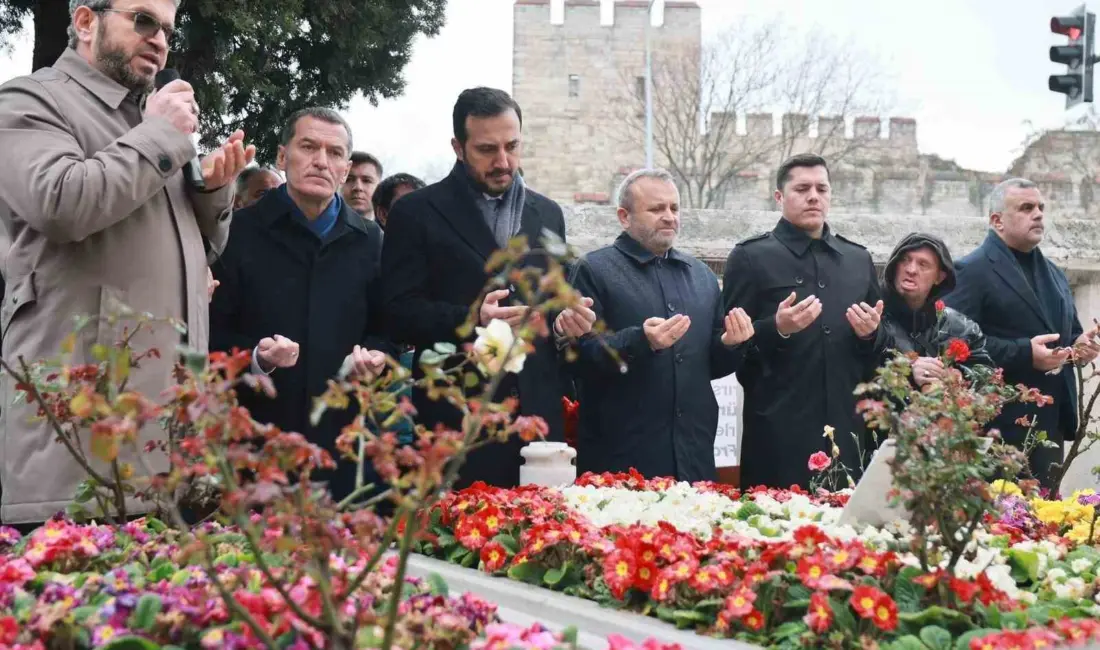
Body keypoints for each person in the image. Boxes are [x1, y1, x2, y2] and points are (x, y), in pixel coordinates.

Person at [0, 0, 253, 526]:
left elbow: (194, 254)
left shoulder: (149, 121)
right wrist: (161, 136)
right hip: (78, 451)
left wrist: (209, 189)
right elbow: (61, 203)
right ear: (86, 22)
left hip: (168, 453)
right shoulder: (30, 99)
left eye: (166, 29)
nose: (159, 39)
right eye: (143, 20)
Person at [380, 87, 594, 489]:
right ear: (458, 147)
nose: (503, 161)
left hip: (538, 422)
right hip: (456, 421)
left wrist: (567, 325)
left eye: (512, 146)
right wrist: (471, 318)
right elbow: (395, 312)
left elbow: (553, 310)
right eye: (486, 149)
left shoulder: (548, 213)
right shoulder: (416, 212)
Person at [209, 107, 390, 502]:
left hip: (344, 444)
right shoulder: (238, 234)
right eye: (308, 147)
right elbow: (209, 333)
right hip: (257, 441)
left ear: (345, 168)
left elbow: (389, 329)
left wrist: (376, 357)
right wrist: (257, 357)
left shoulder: (372, 242)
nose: (321, 161)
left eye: (335, 153)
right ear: (281, 157)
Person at [570, 169, 753, 481]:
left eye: (674, 208)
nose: (669, 217)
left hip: (693, 455)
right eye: (656, 209)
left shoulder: (702, 276)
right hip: (622, 457)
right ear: (624, 217)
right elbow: (578, 358)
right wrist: (642, 341)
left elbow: (711, 363)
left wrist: (732, 344)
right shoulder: (593, 270)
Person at [721, 153, 885, 490]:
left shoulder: (857, 258)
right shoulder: (751, 257)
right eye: (802, 188)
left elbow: (879, 353)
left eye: (821, 188)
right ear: (779, 197)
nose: (814, 196)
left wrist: (872, 335)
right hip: (779, 430)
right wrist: (777, 328)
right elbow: (730, 349)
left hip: (846, 427)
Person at [946, 178, 1100, 488]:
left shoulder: (1055, 275)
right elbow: (952, 344)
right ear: (997, 220)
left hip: (1049, 430)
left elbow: (1068, 336)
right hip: (993, 429)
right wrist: (1024, 353)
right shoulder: (971, 270)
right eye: (1026, 208)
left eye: (1041, 207)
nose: (1039, 214)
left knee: (1044, 529)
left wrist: (1079, 349)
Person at [880, 232, 992, 381]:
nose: (911, 270)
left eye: (923, 264)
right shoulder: (871, 320)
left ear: (939, 277)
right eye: (905, 260)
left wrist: (957, 376)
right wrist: (907, 372)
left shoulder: (961, 327)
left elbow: (987, 376)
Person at [342, 151, 383, 220]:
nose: (358, 187)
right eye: (349, 180)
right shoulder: (321, 228)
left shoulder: (393, 229)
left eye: (366, 181)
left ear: (380, 187)